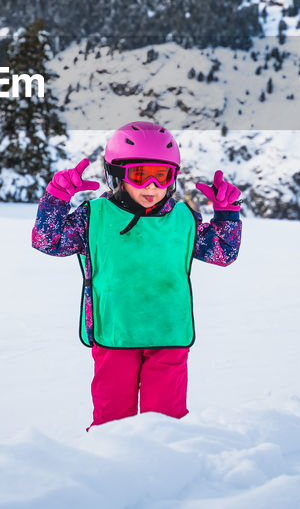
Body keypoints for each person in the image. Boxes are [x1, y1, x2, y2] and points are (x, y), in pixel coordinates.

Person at [32, 120, 242, 428]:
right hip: (115, 335)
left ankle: (165, 474)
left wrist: (228, 212)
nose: (152, 187)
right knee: (112, 425)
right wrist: (57, 198)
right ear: (117, 175)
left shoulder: (183, 219)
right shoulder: (94, 217)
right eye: (140, 175)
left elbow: (223, 252)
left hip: (168, 336)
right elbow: (47, 240)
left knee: (166, 425)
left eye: (162, 176)